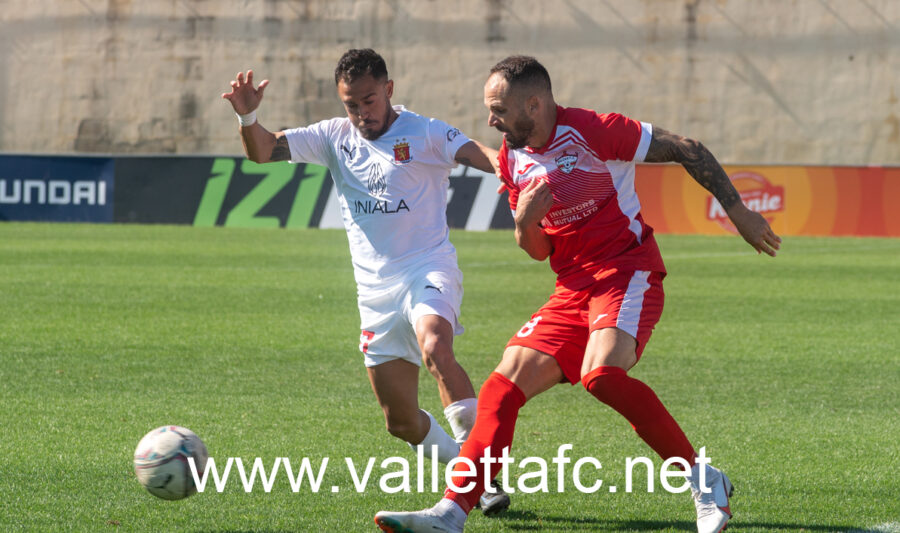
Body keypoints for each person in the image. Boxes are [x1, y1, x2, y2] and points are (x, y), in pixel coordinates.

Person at [375, 55, 781, 533]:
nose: (491, 120)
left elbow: (687, 149)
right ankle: (451, 513)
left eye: (499, 109)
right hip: (571, 289)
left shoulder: (595, 129)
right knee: (500, 389)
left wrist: (738, 212)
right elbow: (536, 249)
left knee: (602, 375)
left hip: (627, 272)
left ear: (534, 103)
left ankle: (703, 479)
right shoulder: (511, 157)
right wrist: (525, 221)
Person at [222, 48, 509, 515]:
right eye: (350, 104)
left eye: (369, 101)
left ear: (389, 90)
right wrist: (249, 115)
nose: (360, 113)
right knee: (400, 422)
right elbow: (261, 151)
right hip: (375, 293)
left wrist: (515, 171)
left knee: (436, 347)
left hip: (428, 269)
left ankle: (484, 477)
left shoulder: (425, 131)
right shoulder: (334, 136)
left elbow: (481, 153)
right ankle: (466, 466)